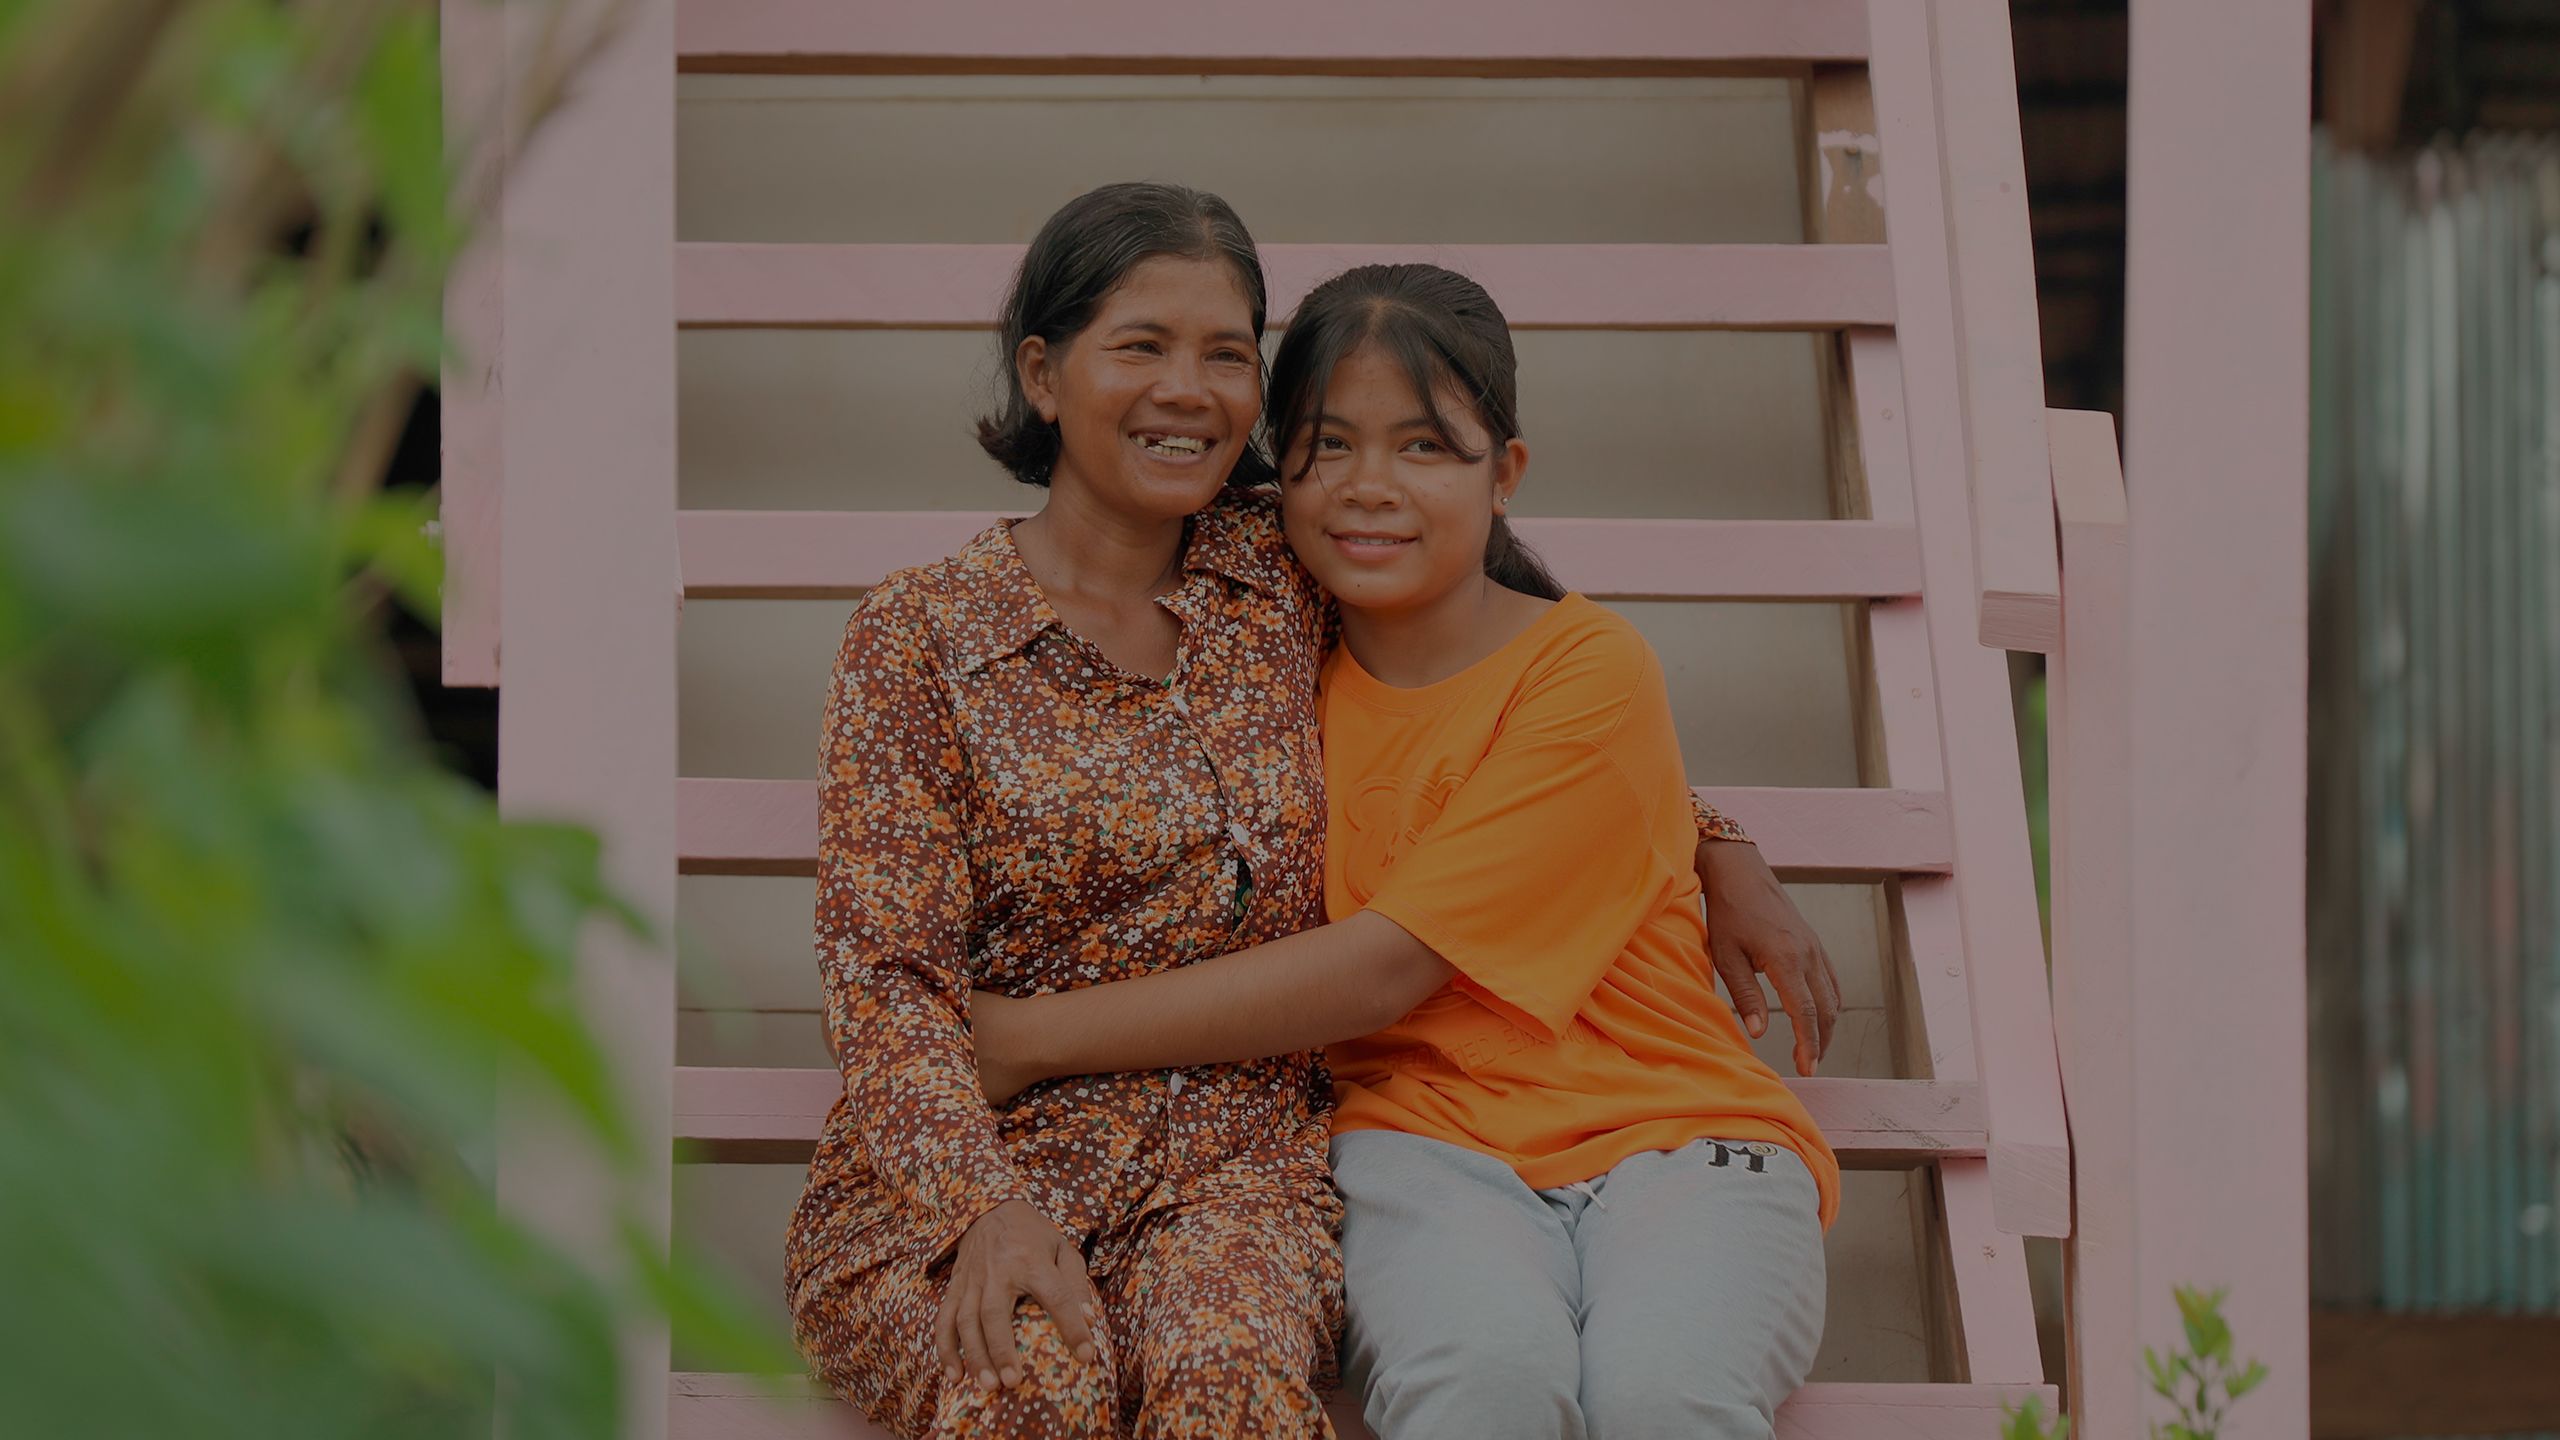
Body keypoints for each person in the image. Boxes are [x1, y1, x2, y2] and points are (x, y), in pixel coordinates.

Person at [784, 182, 1839, 1440]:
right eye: (1141, 346)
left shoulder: (1279, 580)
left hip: (1229, 1164)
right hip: (983, 1158)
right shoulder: (920, 634)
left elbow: (1503, 696)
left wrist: (1710, 839)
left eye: (1226, 354)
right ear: (1042, 372)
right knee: (1037, 1385)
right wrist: (979, 1203)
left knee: (1234, 1391)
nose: (1189, 389)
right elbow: (883, 976)